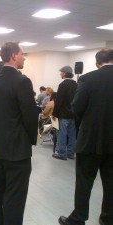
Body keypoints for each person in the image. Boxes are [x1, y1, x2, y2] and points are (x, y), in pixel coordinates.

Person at [58, 48, 113, 225]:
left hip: (90, 140)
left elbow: (77, 108)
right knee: (111, 184)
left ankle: (78, 218)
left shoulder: (87, 79)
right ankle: (108, 218)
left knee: (84, 182)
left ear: (97, 63)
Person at [0, 42, 38, 225]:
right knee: (15, 198)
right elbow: (30, 116)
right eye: (22, 54)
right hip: (18, 150)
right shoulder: (22, 81)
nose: (24, 57)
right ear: (13, 56)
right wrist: (32, 139)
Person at [52, 66, 77, 160]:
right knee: (72, 135)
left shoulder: (62, 85)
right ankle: (70, 153)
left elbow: (58, 101)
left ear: (65, 73)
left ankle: (62, 153)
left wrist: (54, 114)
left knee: (62, 134)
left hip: (63, 114)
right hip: (73, 114)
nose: (60, 74)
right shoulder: (76, 84)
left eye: (61, 72)